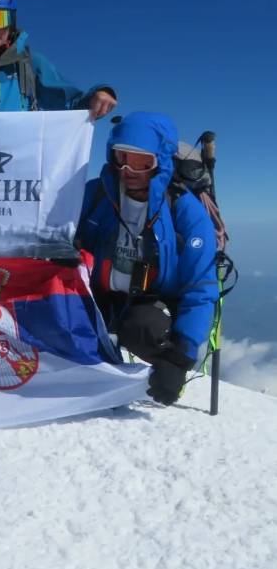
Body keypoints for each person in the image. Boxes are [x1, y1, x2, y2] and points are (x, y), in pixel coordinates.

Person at [76, 112, 218, 405]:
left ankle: (161, 371)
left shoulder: (185, 212)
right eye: (121, 158)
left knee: (142, 329)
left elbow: (200, 288)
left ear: (161, 161)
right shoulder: (95, 195)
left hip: (153, 301)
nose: (127, 170)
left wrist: (179, 358)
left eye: (141, 162)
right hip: (101, 295)